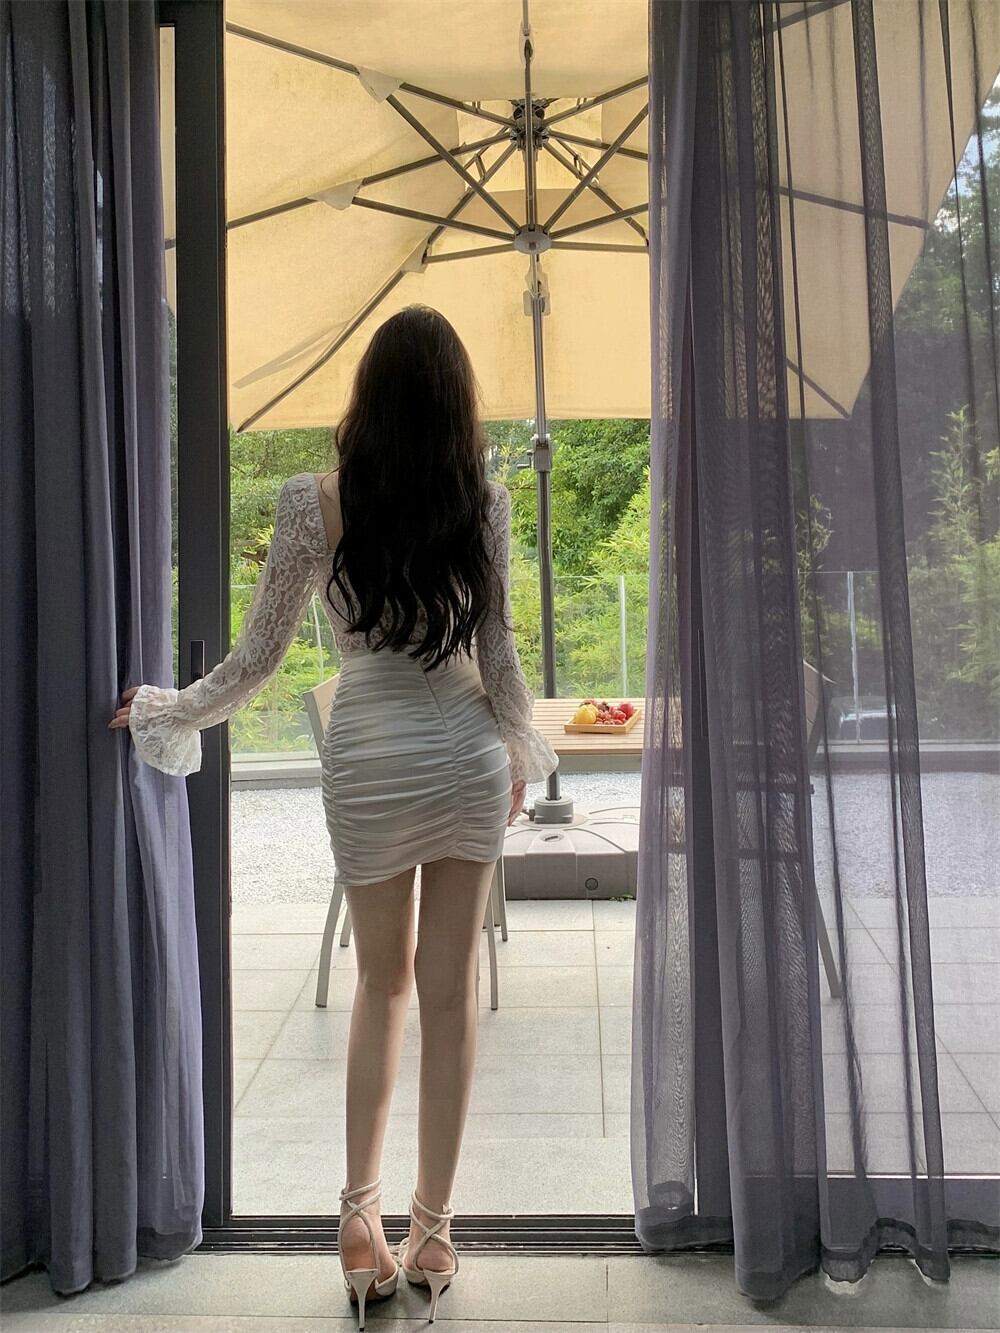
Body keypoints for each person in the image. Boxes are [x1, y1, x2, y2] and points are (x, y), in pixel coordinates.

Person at [107, 304, 559, 1327]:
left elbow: (258, 657)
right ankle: (433, 1227)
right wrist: (517, 746)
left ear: (369, 394)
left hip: (371, 757)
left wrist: (169, 708)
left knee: (380, 986)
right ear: (457, 403)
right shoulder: (482, 501)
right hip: (465, 754)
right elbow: (498, 650)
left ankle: (359, 1222)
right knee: (451, 993)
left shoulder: (314, 502)